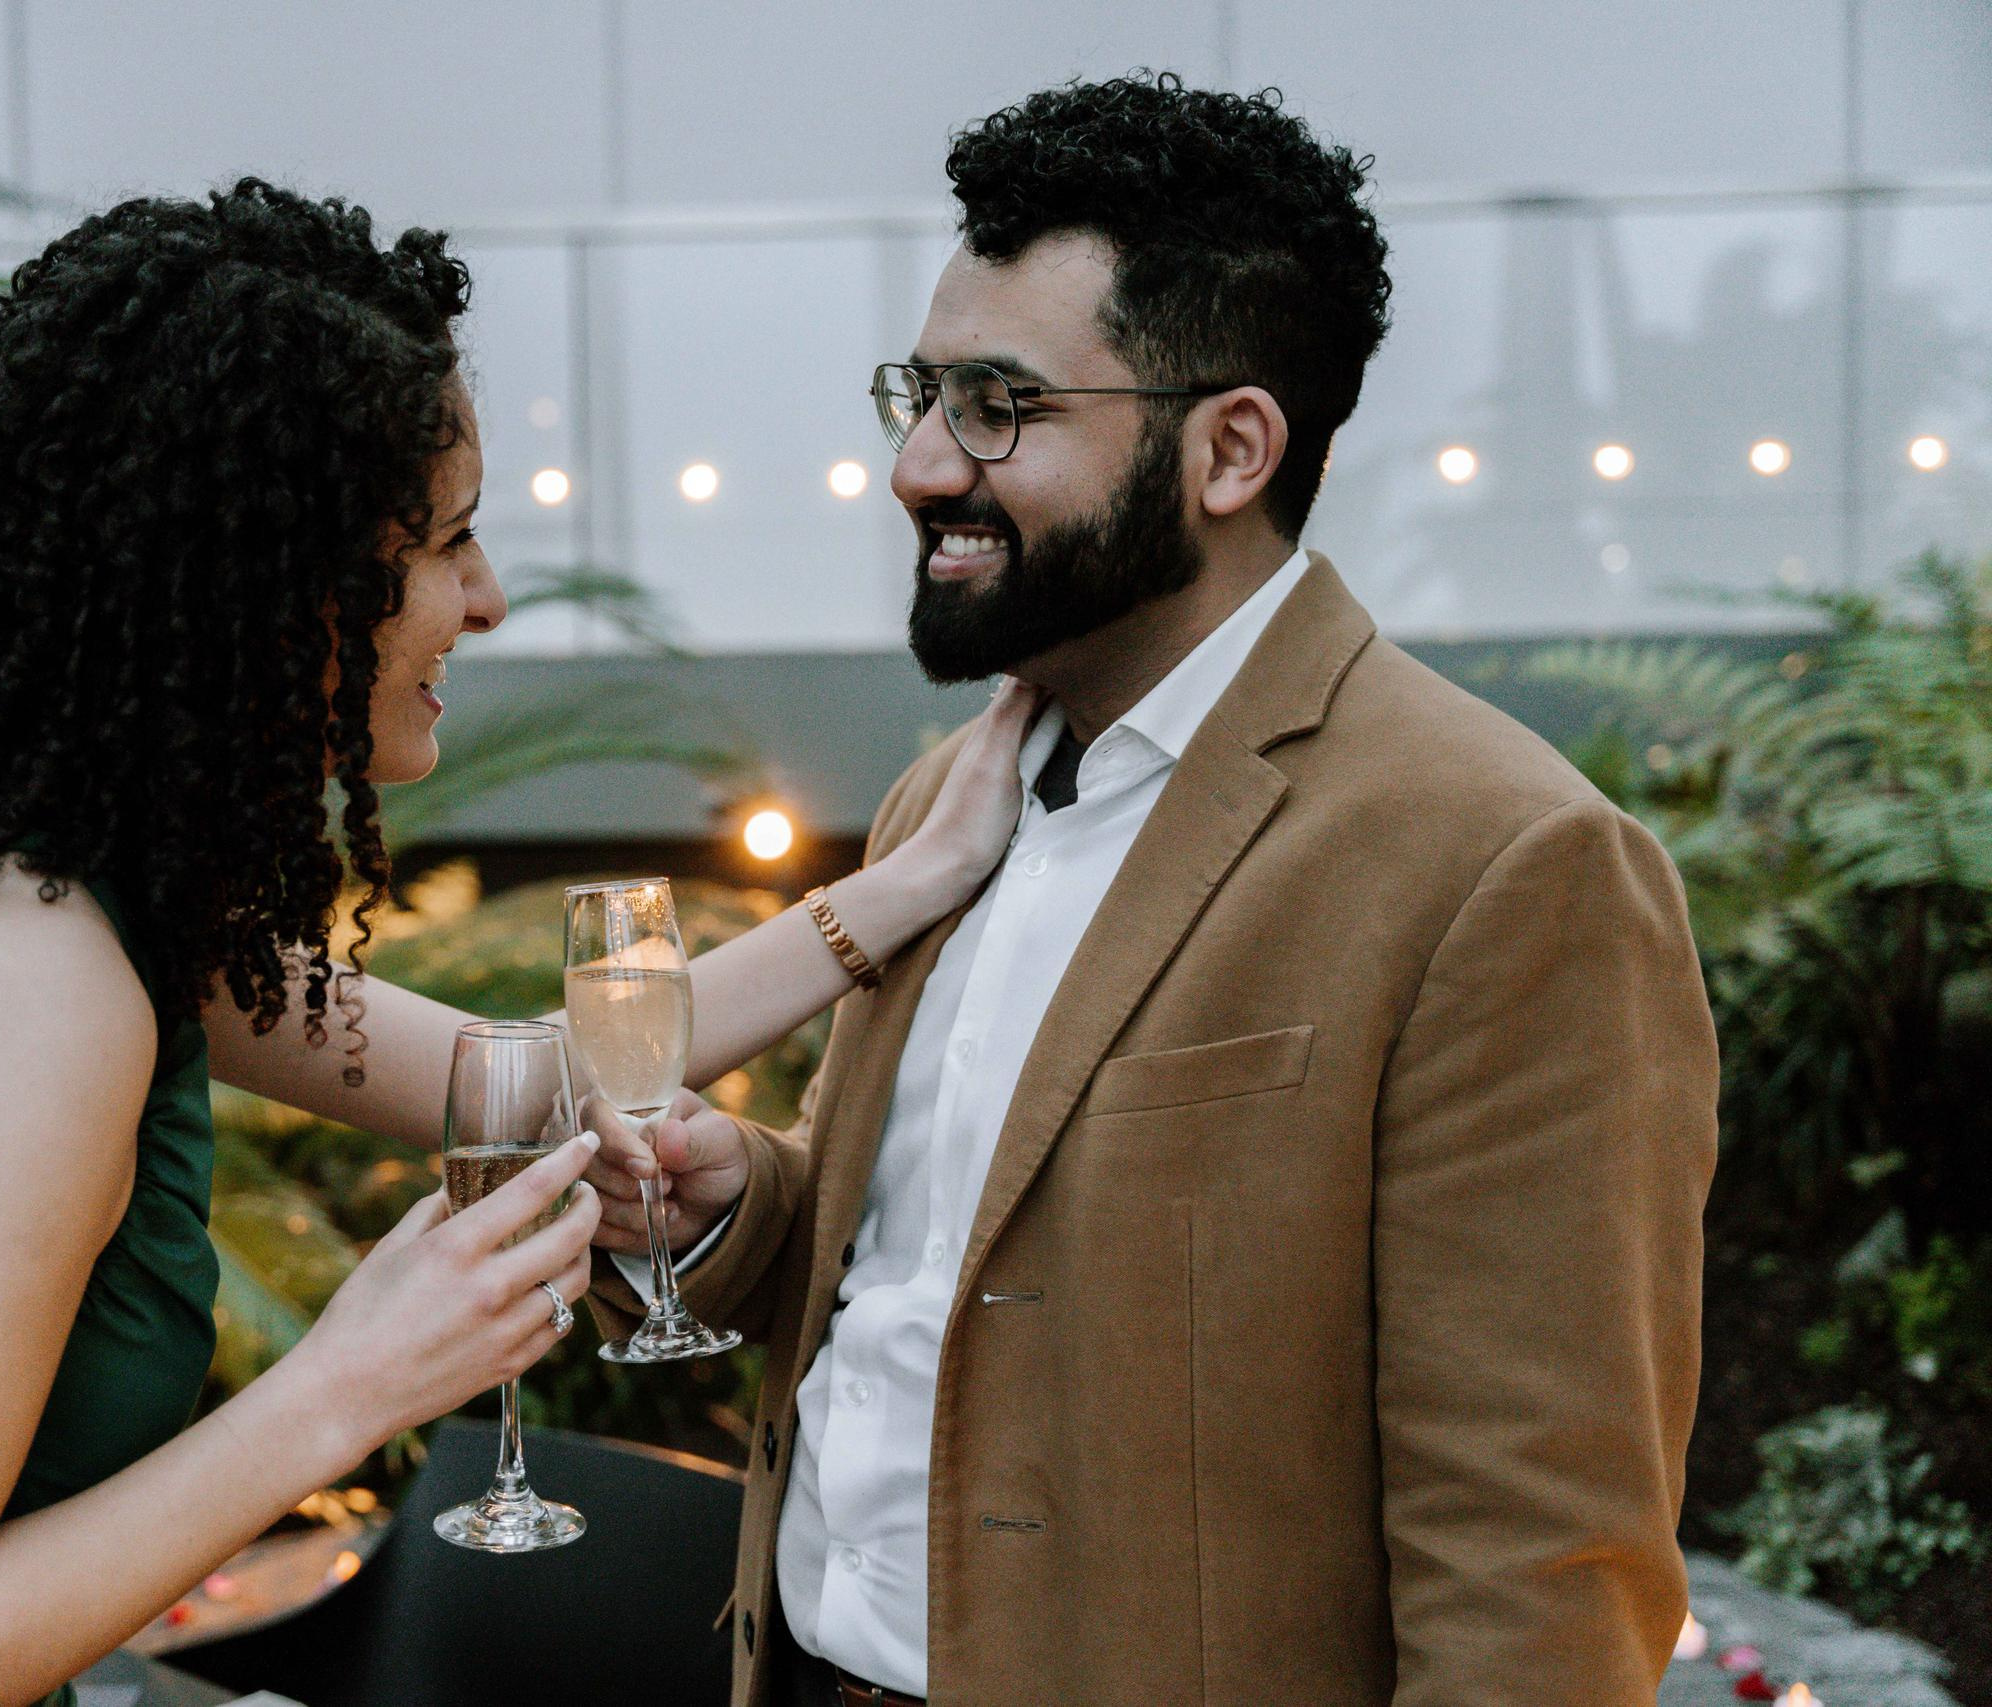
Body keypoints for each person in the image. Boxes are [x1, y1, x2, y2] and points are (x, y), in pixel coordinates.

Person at [0, 181, 1037, 1707]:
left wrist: (908, 883)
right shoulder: (21, 986)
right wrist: (353, 1382)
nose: (487, 600)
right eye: (451, 541)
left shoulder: (85, 908)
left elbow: (530, 1073)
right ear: (275, 583)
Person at [585, 73, 1719, 1707]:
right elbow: (922, 1264)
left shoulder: (1507, 863)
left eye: (1000, 405)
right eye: (922, 393)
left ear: (1230, 449)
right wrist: (734, 1207)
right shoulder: (939, 803)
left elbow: (1538, 1564)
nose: (918, 465)